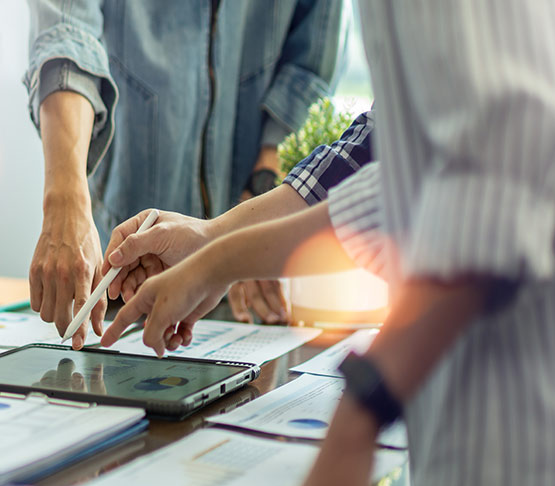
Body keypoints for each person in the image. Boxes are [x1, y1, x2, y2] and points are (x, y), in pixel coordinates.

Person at [102, 2, 555, 486]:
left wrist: (351, 436)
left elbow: (499, 171)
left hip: (522, 481)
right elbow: (396, 172)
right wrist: (216, 250)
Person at [23, 0, 344, 348]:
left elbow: (309, 65)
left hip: (248, 290)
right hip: (114, 267)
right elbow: (68, 35)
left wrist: (258, 208)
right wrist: (65, 200)